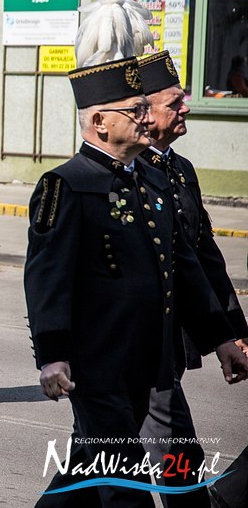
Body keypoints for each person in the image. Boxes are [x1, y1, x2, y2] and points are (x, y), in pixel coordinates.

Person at [23, 56, 248, 506]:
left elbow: (185, 267)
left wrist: (222, 337)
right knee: (126, 488)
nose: (146, 118)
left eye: (147, 108)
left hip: (155, 363)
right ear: (100, 122)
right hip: (98, 368)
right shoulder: (66, 184)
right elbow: (47, 280)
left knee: (181, 467)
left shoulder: (154, 180)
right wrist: (53, 356)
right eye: (136, 110)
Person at [135, 50, 248, 504]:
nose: (186, 108)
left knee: (100, 455)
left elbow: (202, 255)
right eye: (175, 102)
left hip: (175, 335)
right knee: (174, 451)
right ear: (144, 112)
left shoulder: (179, 169)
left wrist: (232, 332)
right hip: (136, 343)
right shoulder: (126, 172)